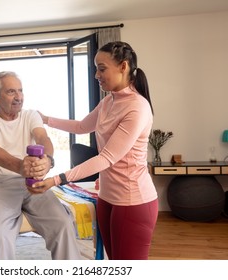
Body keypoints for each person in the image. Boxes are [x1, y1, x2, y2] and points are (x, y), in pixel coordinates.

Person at [30, 41, 158, 260]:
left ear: (123, 66)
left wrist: (57, 179)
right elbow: (81, 126)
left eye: (102, 68)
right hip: (107, 198)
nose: (96, 75)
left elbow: (107, 157)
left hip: (133, 200)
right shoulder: (108, 102)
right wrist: (45, 119)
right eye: (95, 69)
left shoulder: (137, 107)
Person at [0, 71, 81, 260]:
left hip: (32, 184)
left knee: (63, 223)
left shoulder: (30, 115)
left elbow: (42, 137)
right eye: (11, 92)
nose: (19, 97)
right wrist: (20, 167)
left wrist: (47, 160)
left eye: (21, 91)